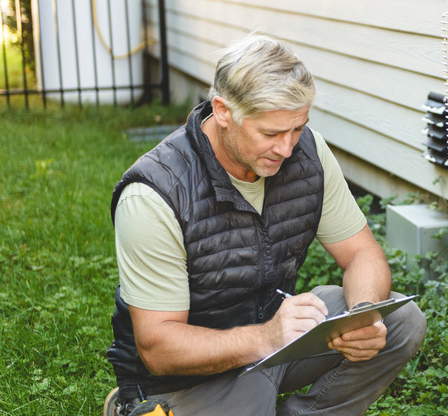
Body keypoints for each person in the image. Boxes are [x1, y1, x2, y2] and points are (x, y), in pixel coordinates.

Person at [103, 34, 427, 416]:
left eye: (297, 128)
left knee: (400, 321)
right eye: (271, 133)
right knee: (248, 402)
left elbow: (362, 253)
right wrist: (266, 338)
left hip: (273, 343)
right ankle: (129, 408)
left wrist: (364, 315)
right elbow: (158, 347)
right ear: (223, 112)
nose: (287, 148)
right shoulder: (154, 195)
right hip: (185, 378)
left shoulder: (308, 152)